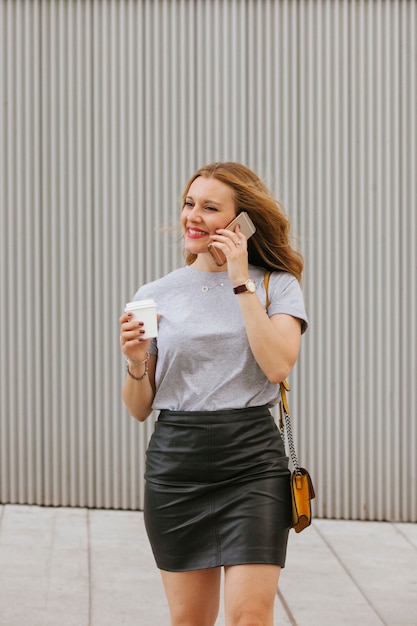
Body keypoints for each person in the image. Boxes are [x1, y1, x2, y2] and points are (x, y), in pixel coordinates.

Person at [119, 162, 308, 626]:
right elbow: (139, 408)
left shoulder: (274, 285)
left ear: (241, 222)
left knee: (249, 616)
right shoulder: (156, 293)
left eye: (209, 208)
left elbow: (278, 364)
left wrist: (240, 281)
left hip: (251, 466)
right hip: (176, 467)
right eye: (189, 204)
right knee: (190, 621)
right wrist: (137, 361)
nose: (193, 216)